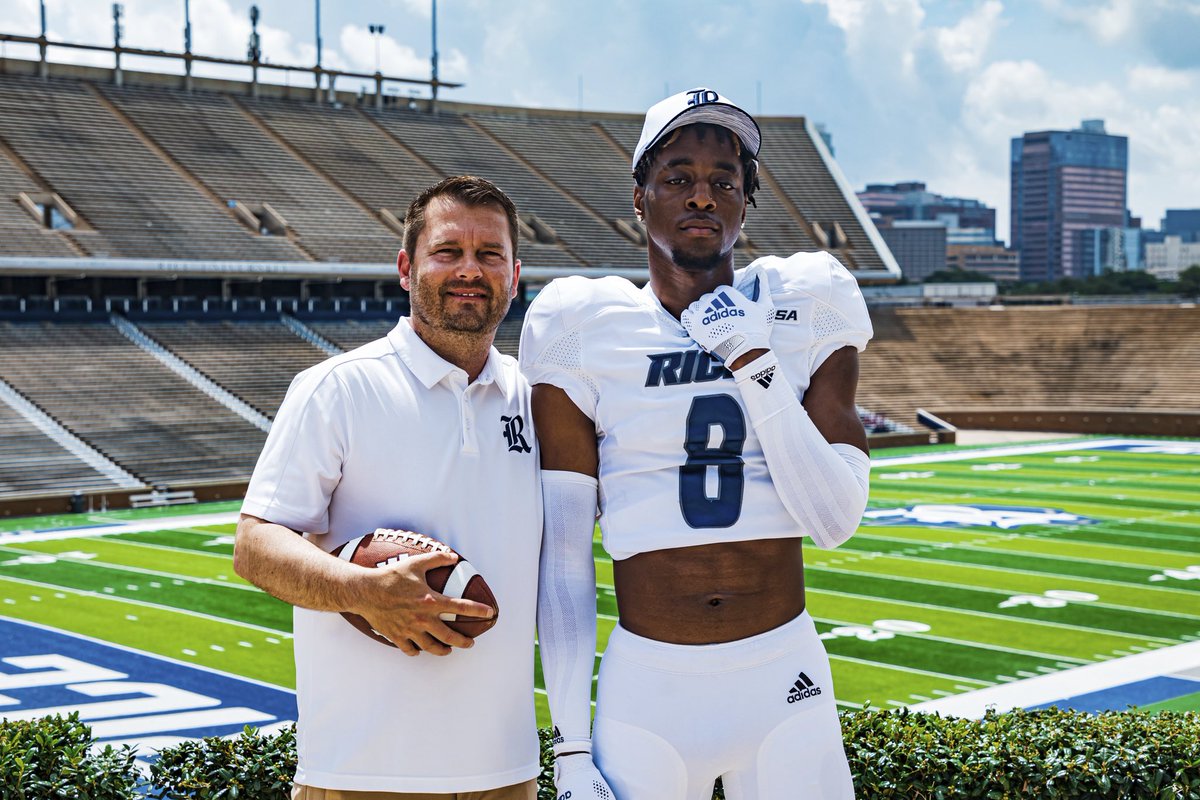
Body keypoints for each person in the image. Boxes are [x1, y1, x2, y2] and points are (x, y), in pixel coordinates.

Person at [519, 88, 873, 799]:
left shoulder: (805, 301)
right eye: (679, 177)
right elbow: (562, 554)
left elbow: (834, 523)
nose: (703, 196)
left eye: (723, 181)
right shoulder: (581, 325)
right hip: (651, 685)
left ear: (747, 202)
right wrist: (568, 750)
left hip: (784, 674)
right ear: (640, 198)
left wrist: (753, 362)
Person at [235, 175, 542, 800]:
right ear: (407, 267)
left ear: (515, 274)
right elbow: (255, 545)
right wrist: (362, 591)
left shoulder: (538, 399)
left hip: (507, 772)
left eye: (490, 255)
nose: (470, 270)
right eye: (448, 250)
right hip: (360, 775)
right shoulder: (337, 388)